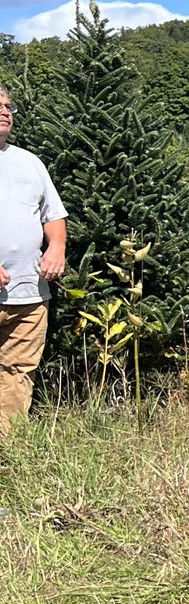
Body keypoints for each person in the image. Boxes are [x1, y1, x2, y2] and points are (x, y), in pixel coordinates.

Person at [0, 87, 67, 429]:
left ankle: (8, 451)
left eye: (8, 106)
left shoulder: (29, 162)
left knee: (18, 372)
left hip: (28, 295)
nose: (5, 111)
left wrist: (57, 247)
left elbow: (53, 214)